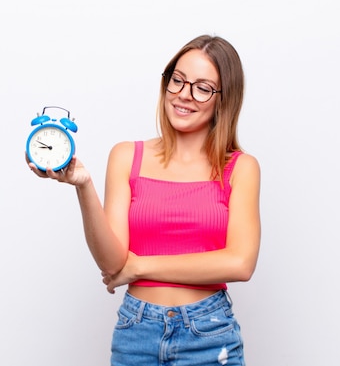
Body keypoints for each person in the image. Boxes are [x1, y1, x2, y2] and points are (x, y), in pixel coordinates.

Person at [27, 34, 261, 366]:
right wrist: (83, 185)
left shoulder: (240, 168)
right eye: (177, 81)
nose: (184, 95)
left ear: (223, 99)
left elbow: (240, 263)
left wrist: (141, 266)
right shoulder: (127, 156)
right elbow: (112, 263)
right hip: (137, 331)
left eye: (202, 87)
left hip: (209, 335)